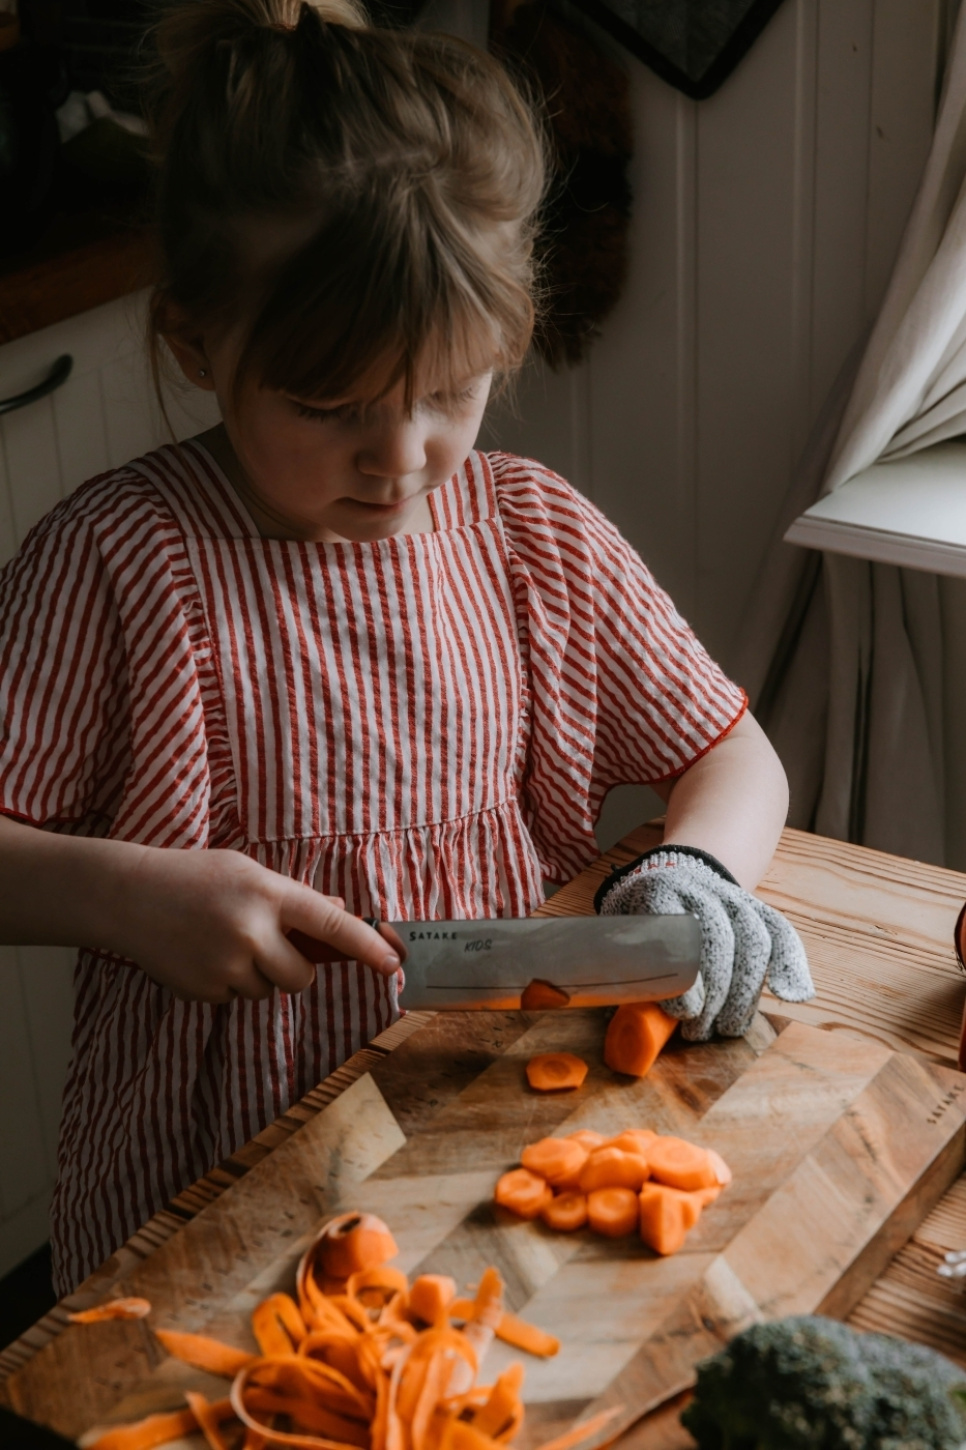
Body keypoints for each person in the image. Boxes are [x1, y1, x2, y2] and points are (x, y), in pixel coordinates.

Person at [0, 0, 811, 1294]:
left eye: (448, 391)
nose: (400, 457)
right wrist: (127, 897)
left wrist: (694, 874)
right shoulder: (115, 558)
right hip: (204, 1182)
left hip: (489, 1126)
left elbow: (733, 757)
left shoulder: (531, 531)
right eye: (331, 408)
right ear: (198, 342)